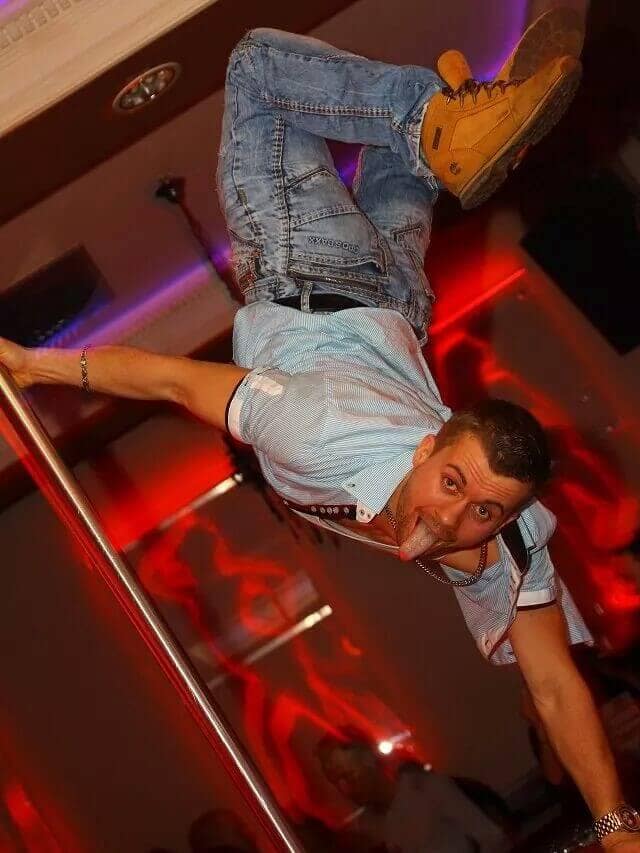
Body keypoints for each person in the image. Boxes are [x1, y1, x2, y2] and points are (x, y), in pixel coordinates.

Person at [0, 8, 639, 849]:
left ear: (507, 516)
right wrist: (34, 365)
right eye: (453, 484)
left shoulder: (512, 551)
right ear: (428, 448)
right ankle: (442, 121)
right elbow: (171, 379)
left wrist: (617, 827)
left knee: (405, 147)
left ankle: (452, 121)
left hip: (393, 296)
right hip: (312, 270)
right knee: (256, 65)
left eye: (482, 510)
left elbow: (555, 687)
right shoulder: (318, 432)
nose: (453, 517)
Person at [316, 729, 511, 852]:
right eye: (336, 783)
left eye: (348, 776)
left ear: (368, 759)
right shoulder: (367, 828)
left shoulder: (427, 789)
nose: (344, 789)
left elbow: (493, 839)